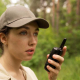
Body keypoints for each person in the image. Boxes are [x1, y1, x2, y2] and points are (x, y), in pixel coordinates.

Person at [0, 5, 67, 80]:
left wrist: (52, 78)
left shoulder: (30, 73)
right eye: (23, 33)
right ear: (4, 38)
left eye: (35, 33)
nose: (33, 42)